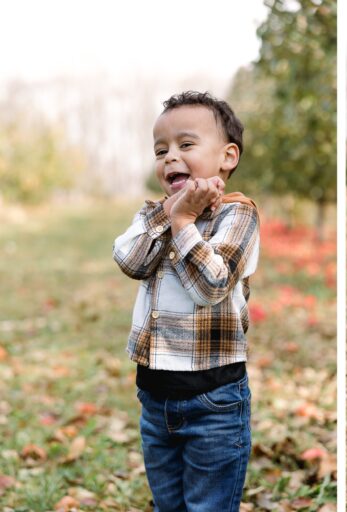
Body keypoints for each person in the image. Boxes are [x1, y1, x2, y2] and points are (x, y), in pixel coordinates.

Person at [113, 91, 259, 510]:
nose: (170, 157)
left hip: (214, 401)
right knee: (168, 505)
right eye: (161, 150)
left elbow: (211, 287)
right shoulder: (153, 215)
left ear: (227, 156)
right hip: (154, 399)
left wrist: (182, 223)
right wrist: (170, 214)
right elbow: (129, 259)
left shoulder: (239, 215)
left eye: (186, 144)